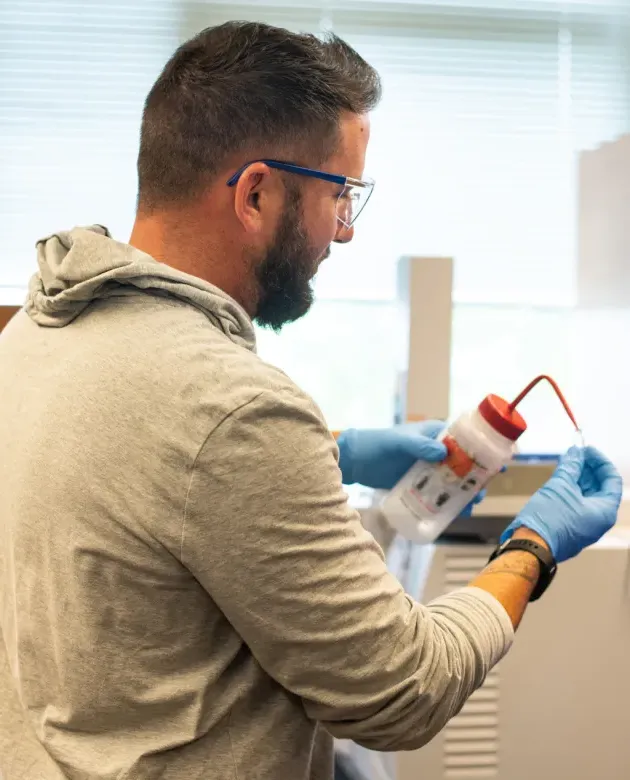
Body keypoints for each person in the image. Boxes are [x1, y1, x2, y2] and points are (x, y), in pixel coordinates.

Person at [0, 21, 622, 780]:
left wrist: (337, 450)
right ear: (257, 193)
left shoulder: (38, 328)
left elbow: (140, 463)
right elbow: (405, 690)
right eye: (340, 194)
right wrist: (531, 546)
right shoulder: (230, 407)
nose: (346, 230)